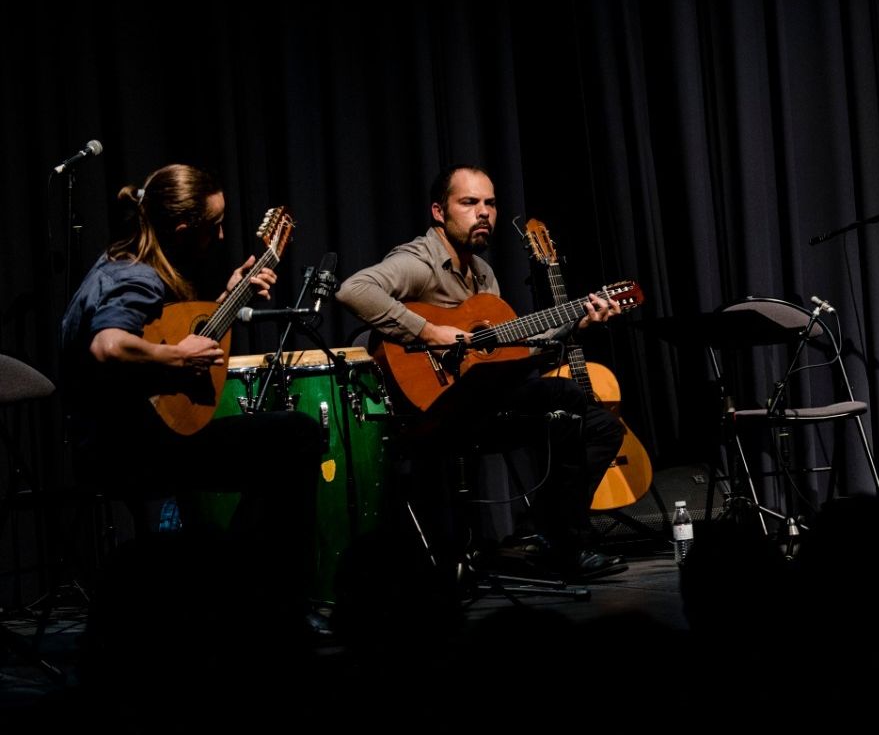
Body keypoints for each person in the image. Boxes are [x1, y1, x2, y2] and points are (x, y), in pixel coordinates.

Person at [59, 163, 321, 629]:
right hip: (130, 450)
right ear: (182, 228)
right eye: (214, 226)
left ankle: (238, 589)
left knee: (281, 442)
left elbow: (178, 328)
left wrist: (233, 294)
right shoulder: (135, 279)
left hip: (125, 439)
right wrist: (178, 360)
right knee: (297, 436)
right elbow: (109, 345)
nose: (220, 237)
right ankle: (259, 599)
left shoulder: (121, 261)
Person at [337, 165, 629, 581]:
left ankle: (544, 538)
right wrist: (428, 330)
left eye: (490, 203)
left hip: (475, 408)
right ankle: (562, 543)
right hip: (428, 411)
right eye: (469, 203)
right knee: (564, 397)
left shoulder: (483, 274)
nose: (484, 213)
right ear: (439, 212)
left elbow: (505, 351)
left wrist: (575, 321)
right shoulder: (419, 262)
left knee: (600, 425)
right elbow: (353, 290)